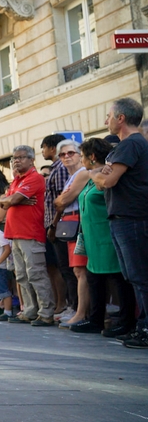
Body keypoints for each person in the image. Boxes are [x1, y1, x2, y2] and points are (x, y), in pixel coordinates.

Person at [91, 98, 148, 349]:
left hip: (132, 219)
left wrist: (99, 177)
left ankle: (145, 329)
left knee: (140, 277)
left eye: (109, 116)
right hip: (125, 218)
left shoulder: (130, 144)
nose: (107, 121)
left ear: (121, 118)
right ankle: (141, 325)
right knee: (133, 276)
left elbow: (108, 180)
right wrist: (101, 174)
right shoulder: (128, 146)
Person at [75, 138, 137, 337]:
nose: (81, 160)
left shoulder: (106, 175)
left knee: (119, 279)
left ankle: (127, 322)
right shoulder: (90, 176)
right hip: (93, 237)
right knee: (94, 279)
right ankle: (96, 320)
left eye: (83, 156)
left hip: (107, 235)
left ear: (92, 157)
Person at [1, 145, 55, 326]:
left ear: (32, 160)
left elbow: (11, 200)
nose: (17, 160)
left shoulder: (35, 178)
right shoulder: (16, 180)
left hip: (30, 233)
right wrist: (13, 200)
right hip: (15, 234)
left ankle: (46, 312)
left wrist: (14, 200)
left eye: (21, 157)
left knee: (36, 274)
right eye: (14, 158)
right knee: (23, 276)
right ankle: (30, 310)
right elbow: (4, 202)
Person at [51, 139, 89, 327]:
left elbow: (62, 201)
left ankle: (80, 312)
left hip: (77, 223)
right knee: (73, 270)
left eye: (70, 153)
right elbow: (58, 202)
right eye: (62, 154)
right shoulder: (70, 177)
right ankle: (77, 309)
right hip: (68, 223)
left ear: (80, 154)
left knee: (80, 270)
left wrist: (62, 200)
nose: (66, 157)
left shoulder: (82, 173)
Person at [42, 133, 73, 314]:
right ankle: (63, 305)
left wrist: (54, 225)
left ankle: (67, 305)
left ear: (52, 148)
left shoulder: (60, 169)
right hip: (54, 225)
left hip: (61, 225)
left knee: (65, 268)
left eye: (44, 147)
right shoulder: (56, 168)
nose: (43, 151)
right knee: (58, 267)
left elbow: (62, 200)